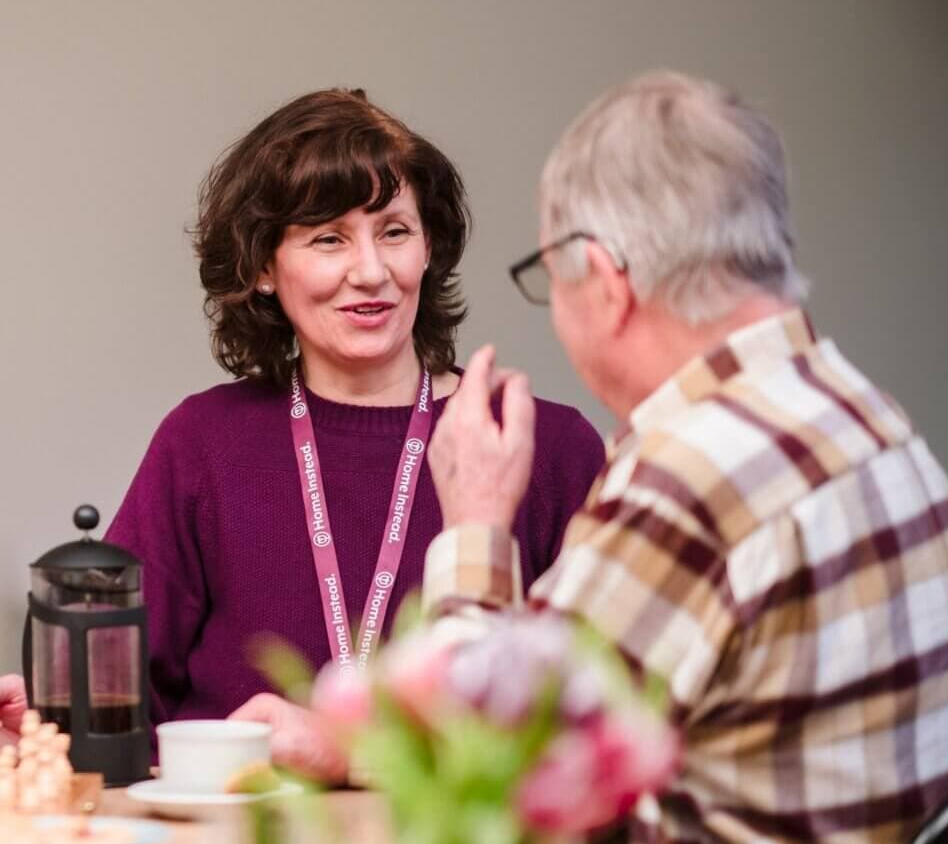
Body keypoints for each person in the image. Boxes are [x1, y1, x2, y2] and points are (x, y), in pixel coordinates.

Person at [418, 70, 948, 844]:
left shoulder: (697, 469)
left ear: (604, 277)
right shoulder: (860, 413)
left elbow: (475, 775)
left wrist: (476, 526)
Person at [1, 88, 604, 771]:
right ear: (263, 268)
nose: (371, 271)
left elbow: (599, 732)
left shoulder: (538, 446)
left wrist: (344, 748)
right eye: (328, 239)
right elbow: (129, 710)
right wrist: (56, 733)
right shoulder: (203, 443)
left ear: (429, 247)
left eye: (395, 231)